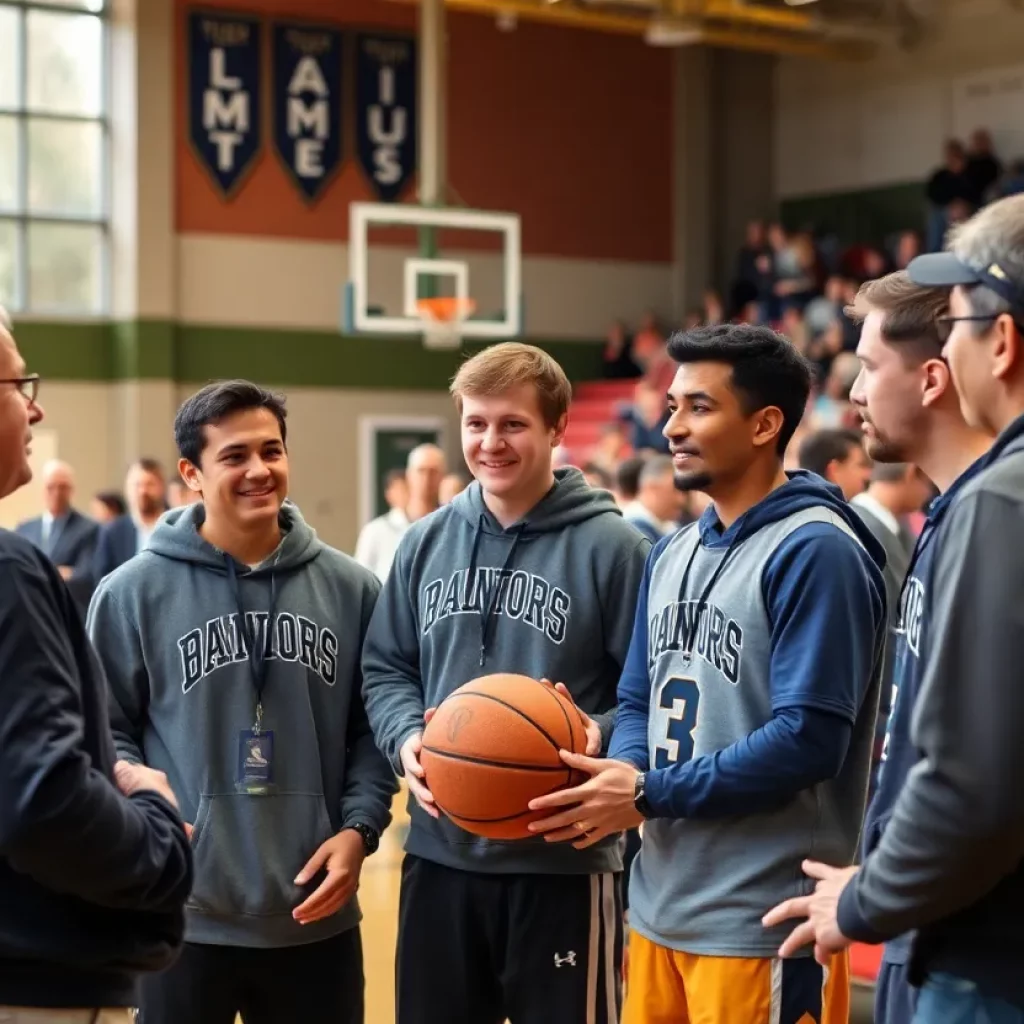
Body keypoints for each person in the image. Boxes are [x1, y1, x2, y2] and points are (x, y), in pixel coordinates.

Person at [529, 323, 888, 1024]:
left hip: (764, 922)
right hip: (658, 907)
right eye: (672, 408)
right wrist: (622, 773)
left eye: (700, 407)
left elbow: (809, 740)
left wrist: (647, 792)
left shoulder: (818, 550)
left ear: (765, 424)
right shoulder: (672, 551)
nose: (673, 428)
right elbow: (637, 698)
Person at [764, 194, 1024, 1022]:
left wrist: (866, 899)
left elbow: (974, 783)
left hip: (983, 955)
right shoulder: (966, 510)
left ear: (1001, 342)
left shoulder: (1000, 504)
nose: (852, 390)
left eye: (962, 324)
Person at [86, 379, 397, 1024]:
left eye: (271, 450)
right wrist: (145, 813)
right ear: (191, 474)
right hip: (180, 914)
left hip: (315, 911)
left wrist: (360, 830)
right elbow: (105, 732)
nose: (259, 470)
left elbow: (373, 730)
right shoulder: (130, 594)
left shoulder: (353, 590)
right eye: (234, 456)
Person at [361, 341, 650, 1024]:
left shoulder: (616, 549)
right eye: (476, 423)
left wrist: (597, 732)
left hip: (564, 861)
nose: (491, 442)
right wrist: (405, 737)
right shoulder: (424, 542)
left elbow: (646, 692)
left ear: (557, 428)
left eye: (513, 424)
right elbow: (387, 667)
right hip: (439, 853)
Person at [0, 309, 193, 1019]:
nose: (36, 408)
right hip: (37, 990)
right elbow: (43, 805)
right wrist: (158, 827)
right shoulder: (10, 569)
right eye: (19, 384)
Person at [92, 457, 168, 581]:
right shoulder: (112, 532)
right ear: (127, 488)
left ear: (162, 487)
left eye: (150, 484)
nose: (143, 491)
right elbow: (102, 579)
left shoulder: (177, 526)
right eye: (137, 485)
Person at [797, 427, 873, 501]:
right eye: (862, 465)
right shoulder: (822, 508)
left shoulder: (799, 502)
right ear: (834, 470)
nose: (868, 474)